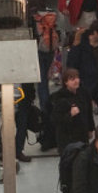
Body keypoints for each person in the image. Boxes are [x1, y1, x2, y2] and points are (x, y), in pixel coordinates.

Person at [66, 19, 98, 121]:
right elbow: (71, 66)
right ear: (95, 32)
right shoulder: (79, 47)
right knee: (84, 114)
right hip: (85, 85)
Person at [34, 10, 62, 151]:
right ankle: (47, 105)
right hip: (50, 50)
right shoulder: (52, 19)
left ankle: (44, 105)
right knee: (46, 77)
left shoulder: (37, 21)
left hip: (40, 51)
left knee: (41, 81)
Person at [51, 68, 94, 151]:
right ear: (66, 82)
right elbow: (55, 119)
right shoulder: (60, 98)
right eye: (72, 79)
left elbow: (89, 112)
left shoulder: (83, 93)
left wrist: (90, 129)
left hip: (82, 136)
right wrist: (70, 115)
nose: (76, 81)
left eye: (77, 78)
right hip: (68, 138)